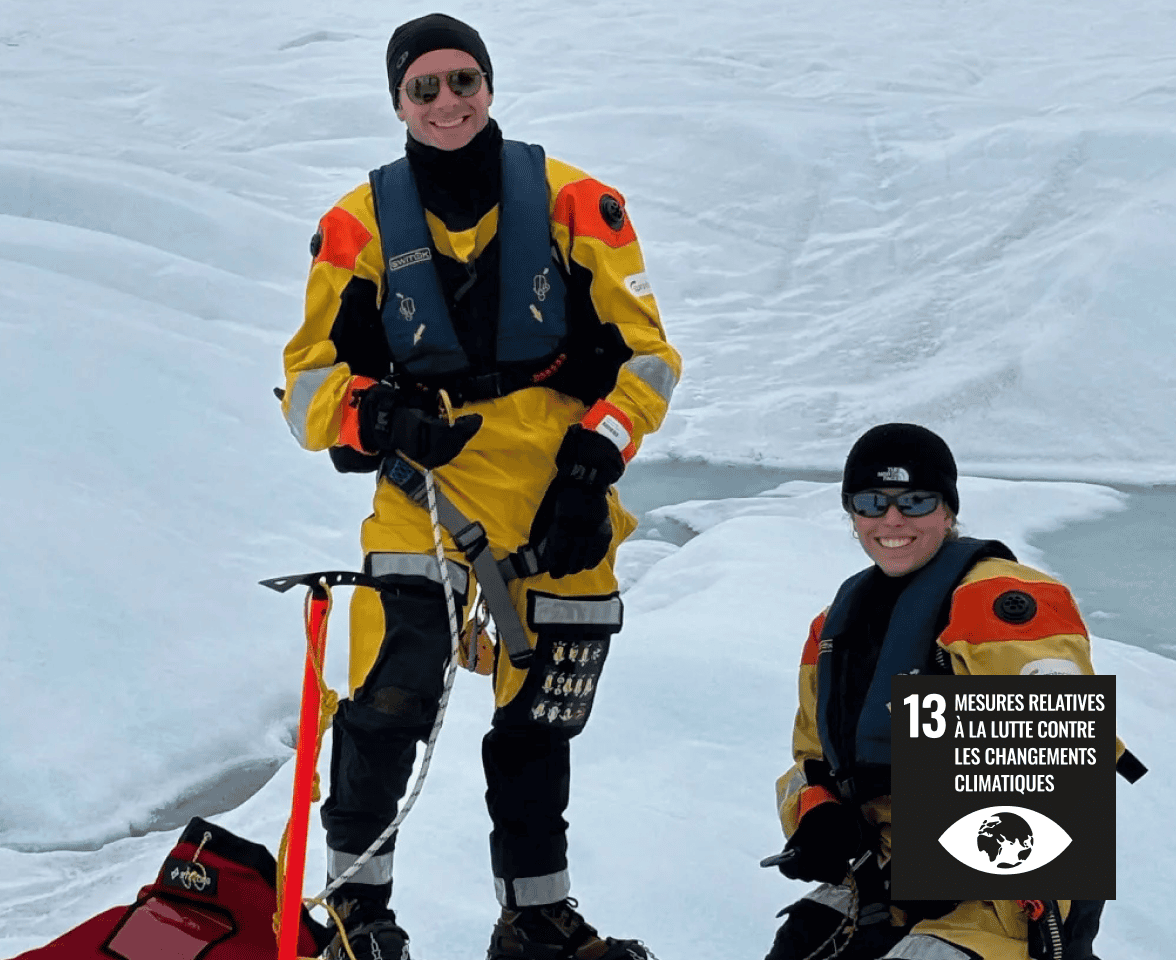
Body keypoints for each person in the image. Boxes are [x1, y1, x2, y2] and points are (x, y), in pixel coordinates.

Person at [278, 13, 680, 960]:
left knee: (540, 727)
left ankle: (537, 919)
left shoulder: (582, 204)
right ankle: (352, 916)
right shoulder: (356, 224)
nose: (448, 102)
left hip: (560, 504)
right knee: (386, 705)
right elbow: (304, 388)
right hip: (423, 500)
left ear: (489, 87)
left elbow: (649, 361)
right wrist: (377, 419)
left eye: (464, 81)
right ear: (399, 103)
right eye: (425, 88)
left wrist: (595, 463)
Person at [765, 423, 1130, 960]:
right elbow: (812, 761)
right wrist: (818, 816)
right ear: (852, 514)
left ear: (948, 510)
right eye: (872, 502)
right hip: (887, 871)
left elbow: (1062, 762)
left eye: (915, 501)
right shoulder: (834, 629)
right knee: (801, 940)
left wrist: (962, 855)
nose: (892, 520)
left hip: (1008, 886)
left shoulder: (1002, 601)